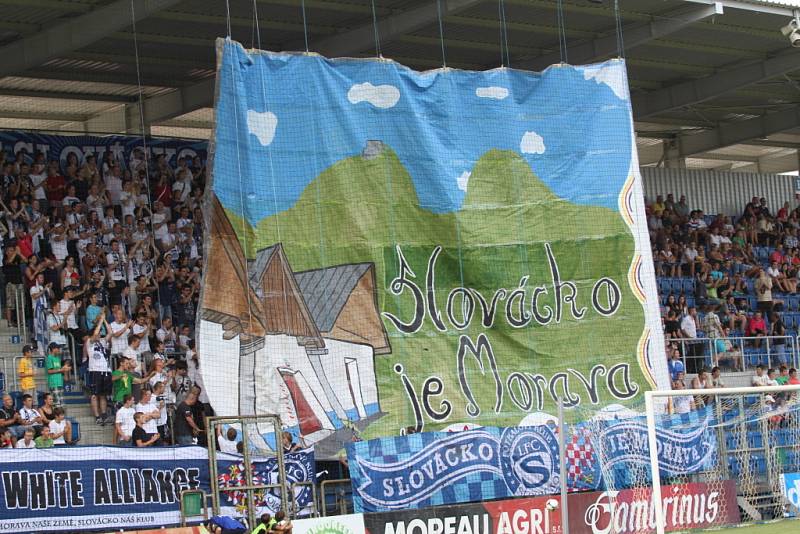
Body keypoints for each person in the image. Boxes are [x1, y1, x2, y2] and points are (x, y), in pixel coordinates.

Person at [87, 314, 113, 425]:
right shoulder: (89, 342)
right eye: (97, 334)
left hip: (106, 370)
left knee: (103, 395)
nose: (99, 335)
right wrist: (100, 320)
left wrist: (105, 320)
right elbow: (95, 333)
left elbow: (110, 333)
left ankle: (104, 415)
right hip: (95, 371)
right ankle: (97, 416)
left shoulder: (102, 342)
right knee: (94, 395)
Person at [46, 342, 70, 408]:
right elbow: (49, 371)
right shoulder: (49, 358)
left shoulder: (58, 358)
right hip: (53, 383)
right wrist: (61, 370)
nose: (59, 350)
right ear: (53, 349)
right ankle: (57, 417)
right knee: (56, 404)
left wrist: (64, 369)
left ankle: (61, 417)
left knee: (62, 403)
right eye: (57, 348)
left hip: (59, 382)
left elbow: (59, 369)